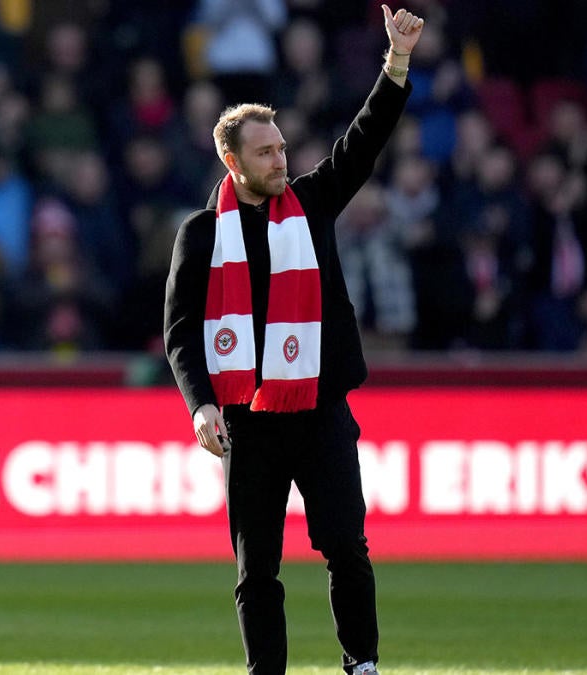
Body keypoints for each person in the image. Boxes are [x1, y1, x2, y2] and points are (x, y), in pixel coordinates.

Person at [163, 6, 422, 675]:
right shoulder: (200, 234)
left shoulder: (311, 204)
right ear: (231, 158)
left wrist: (395, 62)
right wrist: (200, 404)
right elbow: (181, 332)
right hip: (246, 419)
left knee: (345, 545)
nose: (281, 159)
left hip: (319, 408)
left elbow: (363, 141)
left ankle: (361, 664)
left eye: (282, 148)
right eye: (266, 151)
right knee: (259, 569)